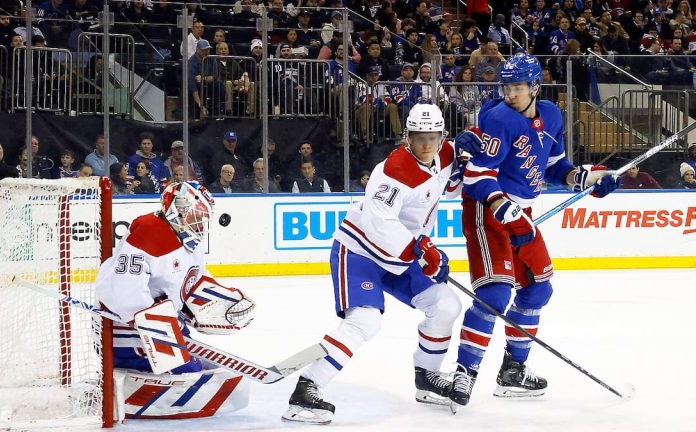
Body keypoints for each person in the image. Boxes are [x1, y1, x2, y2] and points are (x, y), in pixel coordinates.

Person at [448, 53, 621, 407]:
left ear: (535, 87)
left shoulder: (552, 115)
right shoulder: (498, 118)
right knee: (495, 295)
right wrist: (508, 214)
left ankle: (513, 370)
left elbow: (556, 166)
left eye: (518, 86)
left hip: (520, 214)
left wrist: (587, 179)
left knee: (538, 290)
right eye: (506, 86)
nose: (510, 93)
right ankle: (464, 373)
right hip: (487, 212)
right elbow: (476, 176)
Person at [282, 104, 462, 425]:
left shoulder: (446, 155)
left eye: (432, 137)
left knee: (446, 306)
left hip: (403, 253)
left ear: (442, 137)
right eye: (419, 137)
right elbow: (381, 223)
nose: (425, 144)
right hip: (360, 251)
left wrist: (477, 159)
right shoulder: (393, 170)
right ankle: (307, 389)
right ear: (407, 137)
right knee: (365, 322)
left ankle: (427, 377)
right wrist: (422, 248)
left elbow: (452, 186)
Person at [95, 181, 254, 418]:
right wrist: (160, 327)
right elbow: (125, 291)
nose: (200, 224)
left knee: (201, 364)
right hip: (127, 330)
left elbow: (194, 279)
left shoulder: (190, 240)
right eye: (195, 216)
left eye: (202, 217)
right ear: (176, 209)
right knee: (189, 371)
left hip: (163, 323)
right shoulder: (149, 231)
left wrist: (212, 302)